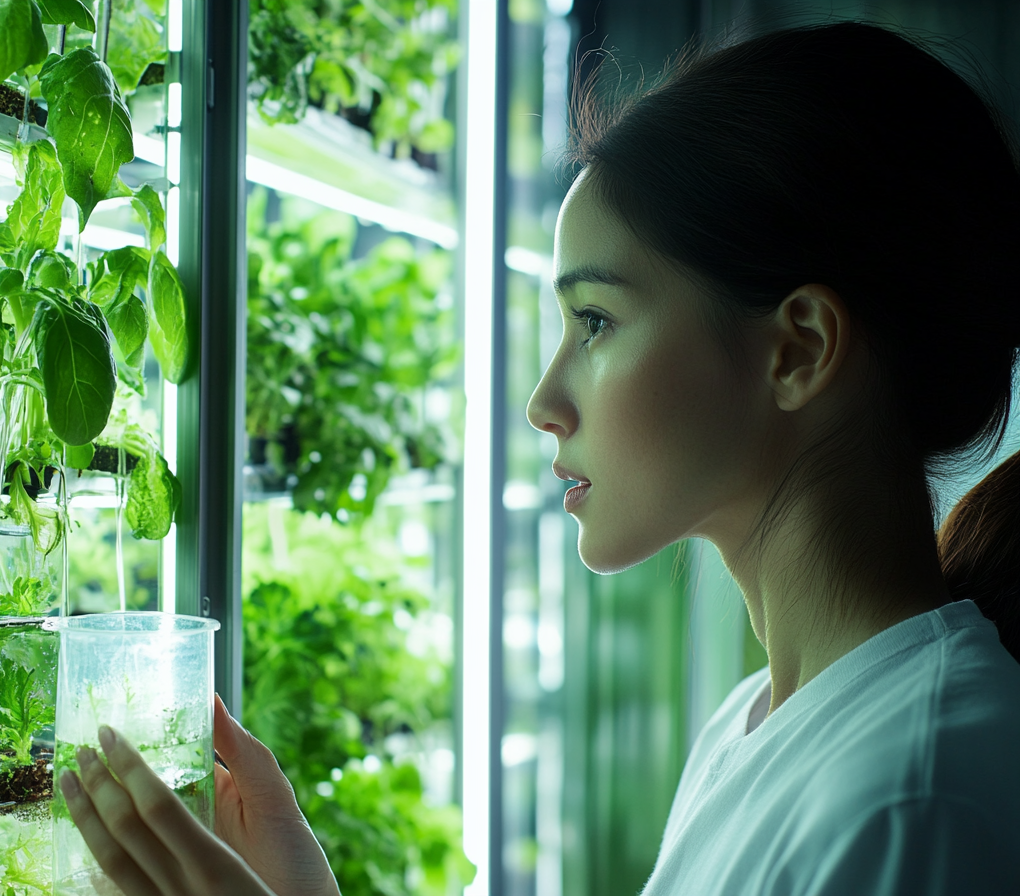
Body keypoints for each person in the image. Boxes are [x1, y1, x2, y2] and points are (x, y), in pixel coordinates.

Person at [57, 20, 1020, 895]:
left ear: (799, 348)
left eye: (596, 320)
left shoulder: (912, 800)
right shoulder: (756, 724)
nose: (543, 402)